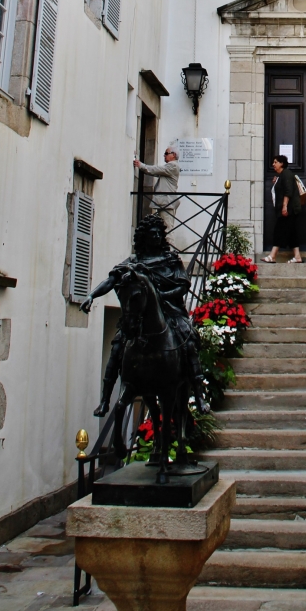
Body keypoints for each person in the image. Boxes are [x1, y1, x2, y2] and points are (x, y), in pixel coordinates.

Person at [80, 214, 210, 416]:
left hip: (170, 311)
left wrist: (161, 296)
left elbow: (183, 285)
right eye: (152, 233)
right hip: (141, 317)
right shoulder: (134, 261)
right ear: (145, 237)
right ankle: (105, 400)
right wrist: (91, 295)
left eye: (159, 233)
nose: (157, 236)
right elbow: (112, 280)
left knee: (189, 340)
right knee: (117, 346)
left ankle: (199, 395)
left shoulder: (170, 259)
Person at [134, 144, 180, 248]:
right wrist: (143, 167)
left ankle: (171, 252)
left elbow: (156, 170)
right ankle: (166, 251)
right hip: (164, 202)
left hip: (167, 202)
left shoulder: (173, 166)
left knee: (167, 228)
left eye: (166, 153)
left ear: (174, 155)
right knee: (163, 227)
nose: (164, 156)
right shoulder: (169, 167)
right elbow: (156, 172)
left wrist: (141, 165)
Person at [262, 154, 304, 263]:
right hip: (288, 209)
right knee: (292, 233)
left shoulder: (287, 174)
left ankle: (273, 255)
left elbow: (288, 191)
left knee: (279, 231)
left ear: (282, 163)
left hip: (289, 210)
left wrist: (284, 206)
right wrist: (276, 181)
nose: (273, 164)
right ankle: (297, 256)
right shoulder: (282, 176)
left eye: (275, 162)